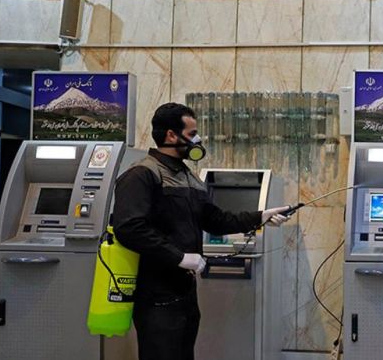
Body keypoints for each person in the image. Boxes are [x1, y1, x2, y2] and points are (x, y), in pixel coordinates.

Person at [113, 102, 293, 360]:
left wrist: (260, 217)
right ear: (171, 135)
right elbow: (129, 227)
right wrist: (179, 257)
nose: (197, 140)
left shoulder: (188, 176)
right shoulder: (142, 174)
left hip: (185, 294)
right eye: (192, 133)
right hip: (156, 295)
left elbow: (216, 220)